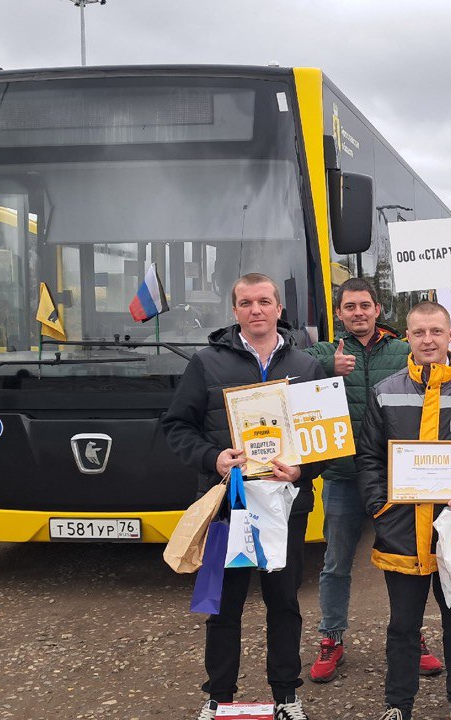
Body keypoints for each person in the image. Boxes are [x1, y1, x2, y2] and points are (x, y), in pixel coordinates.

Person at [163, 272, 328, 720]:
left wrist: (303, 469)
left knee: (284, 604)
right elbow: (176, 426)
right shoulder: (206, 364)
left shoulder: (307, 366)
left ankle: (286, 696)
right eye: (246, 303)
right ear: (234, 311)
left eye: (264, 302)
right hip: (228, 507)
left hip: (286, 506)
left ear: (278, 309)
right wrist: (213, 458)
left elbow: (327, 442)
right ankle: (219, 697)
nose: (256, 310)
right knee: (223, 606)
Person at [357, 301, 451, 720]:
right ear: (407, 336)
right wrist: (380, 507)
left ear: (450, 335)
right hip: (401, 529)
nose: (428, 340)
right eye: (419, 332)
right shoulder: (385, 391)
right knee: (402, 625)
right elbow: (369, 457)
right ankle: (398, 705)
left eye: (436, 332)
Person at [301, 277, 444, 683]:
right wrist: (326, 369)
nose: (358, 313)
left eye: (365, 305)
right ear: (339, 313)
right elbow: (288, 371)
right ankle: (331, 637)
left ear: (377, 309)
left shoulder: (402, 349)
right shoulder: (323, 352)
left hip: (396, 478)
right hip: (343, 476)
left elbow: (436, 370)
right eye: (350, 307)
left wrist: (443, 342)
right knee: (336, 563)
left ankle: (411, 636)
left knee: (408, 561)